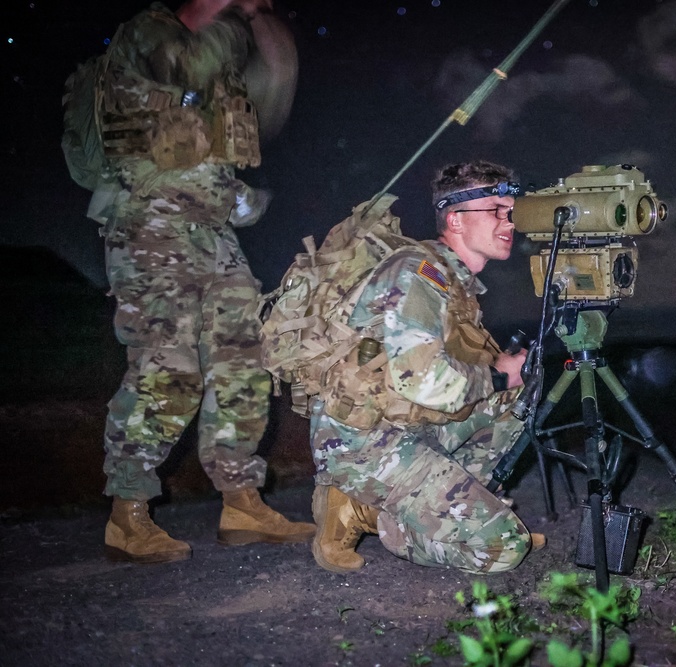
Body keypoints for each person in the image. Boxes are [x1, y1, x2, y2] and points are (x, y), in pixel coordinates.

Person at [97, 0, 314, 564]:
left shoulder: (220, 62)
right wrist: (231, 14)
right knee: (166, 373)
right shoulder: (147, 34)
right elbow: (184, 64)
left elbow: (266, 106)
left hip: (213, 233)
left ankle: (242, 502)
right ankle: (127, 513)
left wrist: (267, 31)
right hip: (151, 229)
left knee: (244, 368)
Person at [309, 160, 546, 574]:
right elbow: (421, 380)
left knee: (519, 393)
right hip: (365, 442)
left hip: (409, 425)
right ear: (455, 218)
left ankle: (463, 513)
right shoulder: (418, 273)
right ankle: (362, 509)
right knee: (503, 548)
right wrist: (496, 375)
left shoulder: (456, 284)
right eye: (496, 210)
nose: (510, 222)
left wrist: (506, 378)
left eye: (512, 212)